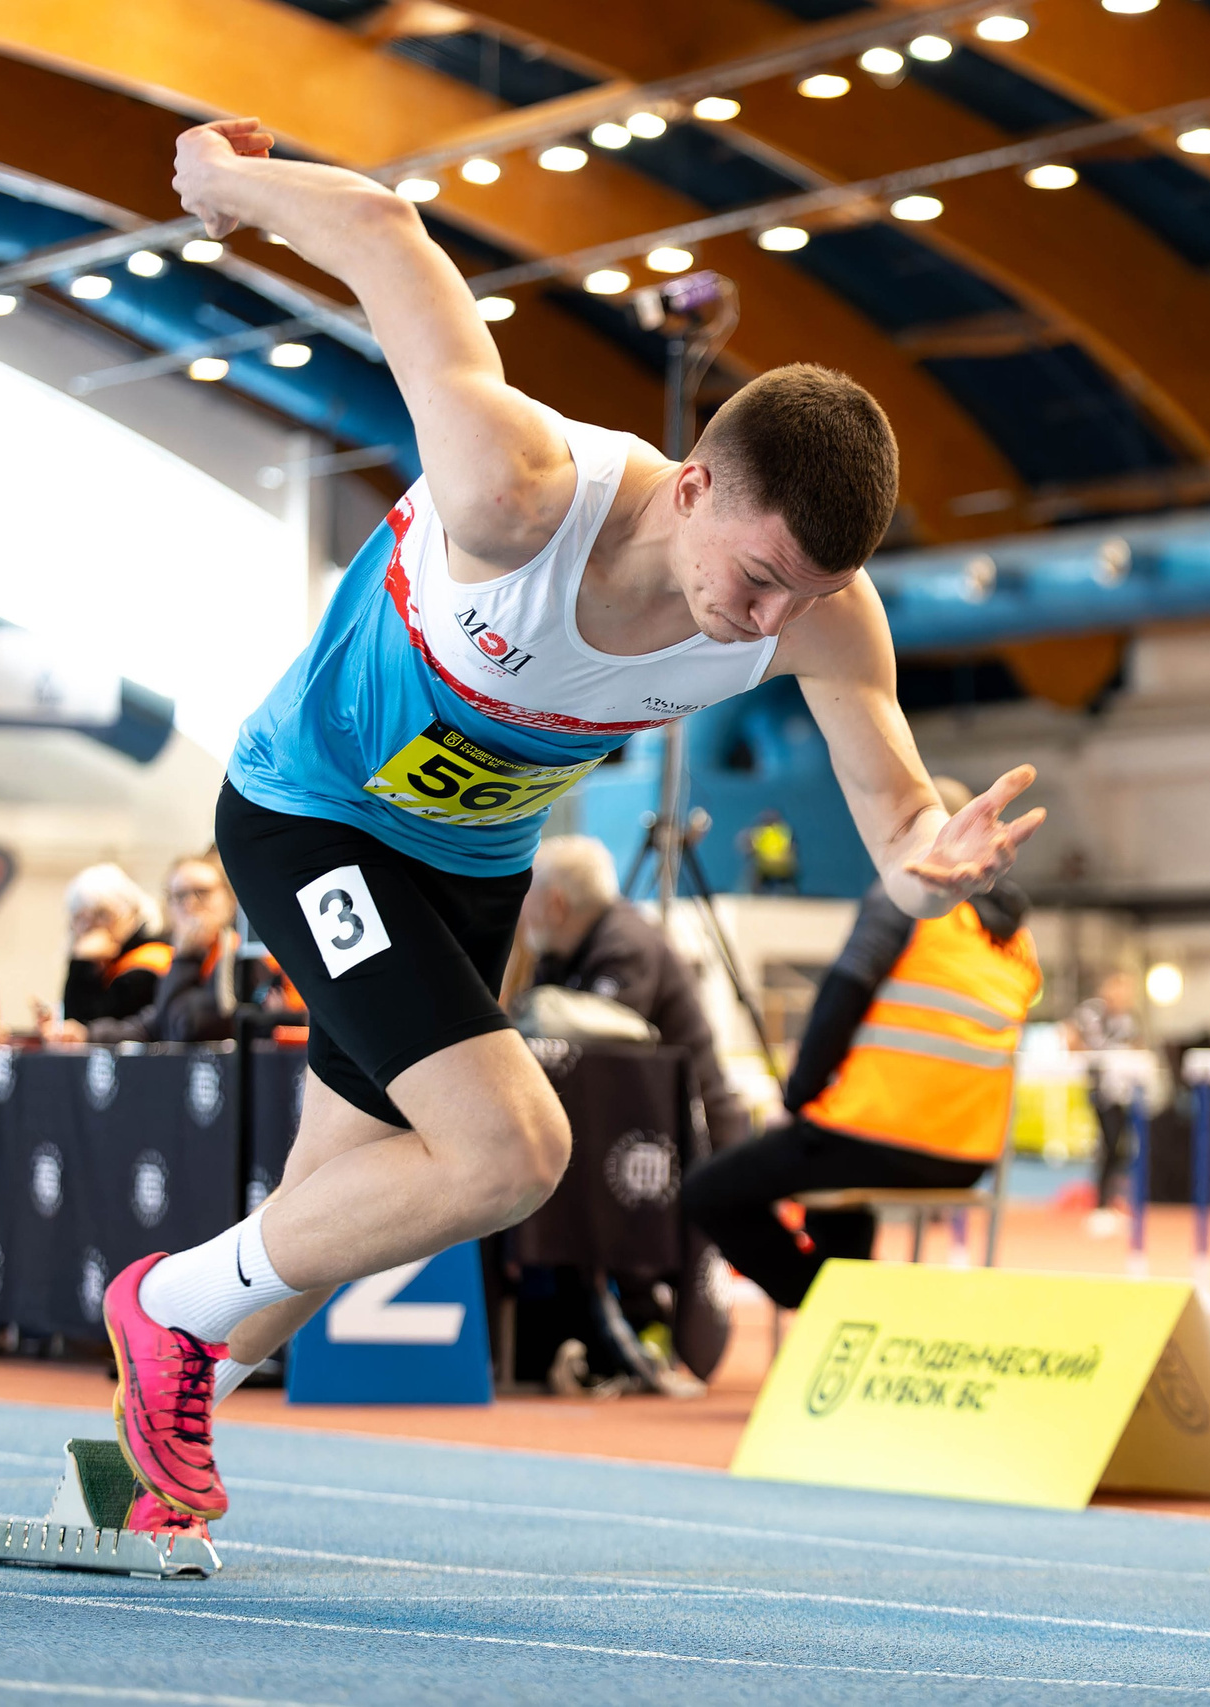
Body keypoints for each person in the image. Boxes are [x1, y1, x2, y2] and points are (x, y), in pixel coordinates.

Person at [101, 116, 1044, 1533]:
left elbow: (894, 799)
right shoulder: (514, 494)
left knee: (340, 1205)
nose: (771, 618)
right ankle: (163, 1304)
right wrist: (229, 183)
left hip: (474, 871)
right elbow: (385, 238)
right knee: (509, 1150)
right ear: (695, 484)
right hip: (313, 812)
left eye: (812, 592)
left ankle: (167, 1412)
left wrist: (918, 864)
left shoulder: (821, 621)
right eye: (762, 573)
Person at [680, 856, 1040, 1306]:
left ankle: (832, 1305)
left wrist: (796, 1100)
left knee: (707, 1192)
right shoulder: (1017, 942)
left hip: (875, 1135)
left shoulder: (909, 895)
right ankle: (848, 1298)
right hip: (968, 1157)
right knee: (829, 1185)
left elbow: (840, 998)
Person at [499, 834, 748, 1152]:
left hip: (697, 1140)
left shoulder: (627, 944)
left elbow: (604, 1039)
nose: (520, 915)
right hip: (651, 1127)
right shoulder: (558, 952)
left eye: (526, 898)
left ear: (556, 904)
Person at [46, 851, 244, 1046]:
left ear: (230, 899)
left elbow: (185, 1027)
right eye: (179, 896)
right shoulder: (184, 955)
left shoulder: (243, 956)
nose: (190, 904)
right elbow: (151, 1026)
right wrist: (86, 1034)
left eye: (202, 892)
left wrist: (185, 957)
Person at [1068, 969, 1143, 1229]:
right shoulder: (1091, 1012)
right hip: (1099, 1088)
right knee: (1109, 1144)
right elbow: (1070, 1037)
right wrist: (1088, 1058)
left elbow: (1136, 1045)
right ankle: (1101, 1204)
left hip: (1123, 1089)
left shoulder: (1127, 1019)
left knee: (1121, 1147)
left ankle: (1111, 1201)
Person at [56, 864, 169, 1030]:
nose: (90, 926)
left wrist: (81, 964)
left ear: (132, 913)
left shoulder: (148, 962)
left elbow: (83, 1032)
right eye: (80, 918)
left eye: (101, 914)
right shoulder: (107, 962)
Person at [738, 808, 800, 895]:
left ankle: (751, 893)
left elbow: (746, 845)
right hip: (772, 867)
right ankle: (752, 893)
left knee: (753, 869)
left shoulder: (780, 831)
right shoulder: (784, 830)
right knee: (753, 869)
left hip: (777, 867)